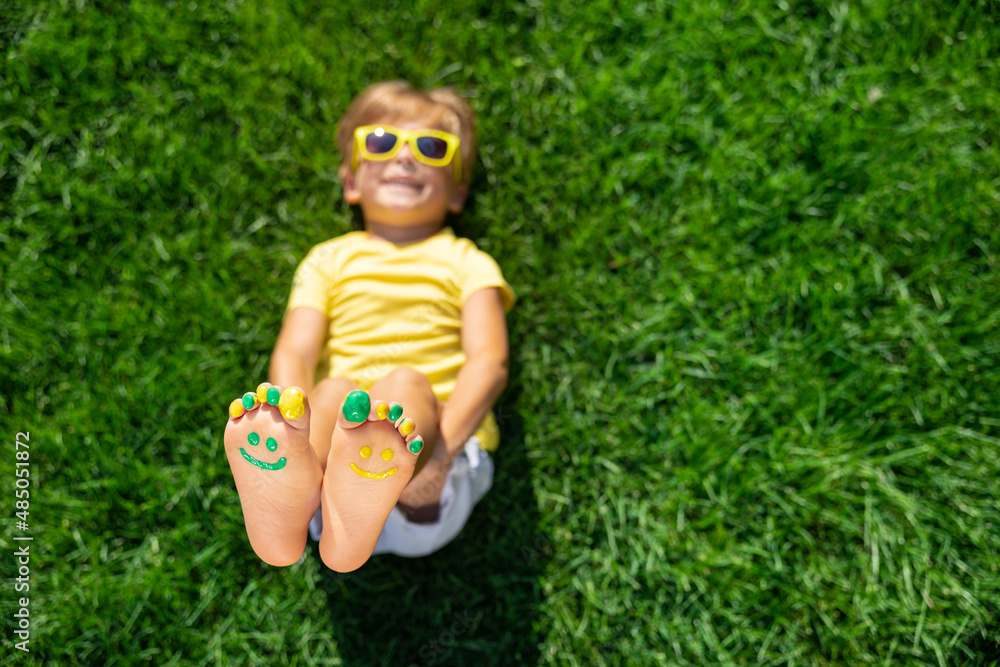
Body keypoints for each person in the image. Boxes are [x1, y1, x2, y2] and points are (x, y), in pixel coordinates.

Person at [222, 81, 514, 573]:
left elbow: (490, 361)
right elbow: (294, 352)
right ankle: (296, 481)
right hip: (334, 470)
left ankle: (361, 485)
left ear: (458, 193)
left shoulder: (467, 261)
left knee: (401, 388)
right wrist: (289, 418)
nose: (405, 158)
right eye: (380, 142)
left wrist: (440, 455)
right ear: (351, 182)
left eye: (431, 148)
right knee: (333, 392)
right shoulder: (328, 259)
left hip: (433, 474)